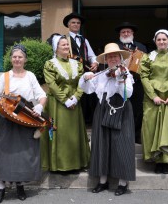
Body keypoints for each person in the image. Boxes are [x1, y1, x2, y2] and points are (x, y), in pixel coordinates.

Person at [0, 44, 47, 204]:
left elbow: (42, 95)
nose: (17, 59)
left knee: (23, 154)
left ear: (25, 59)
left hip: (24, 119)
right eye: (14, 57)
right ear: (11, 59)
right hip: (5, 121)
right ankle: (1, 188)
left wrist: (40, 106)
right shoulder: (5, 76)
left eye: (20, 56)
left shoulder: (30, 76)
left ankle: (20, 186)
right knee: (3, 154)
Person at [79, 43, 136, 196]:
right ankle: (102, 181)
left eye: (115, 56)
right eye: (109, 56)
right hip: (103, 108)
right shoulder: (101, 74)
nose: (112, 59)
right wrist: (85, 77)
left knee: (121, 144)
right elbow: (88, 89)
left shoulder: (126, 73)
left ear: (120, 58)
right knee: (101, 144)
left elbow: (128, 94)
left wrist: (120, 79)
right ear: (105, 59)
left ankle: (123, 183)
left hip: (121, 109)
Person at [40, 34, 90, 173]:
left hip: (74, 102)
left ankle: (76, 163)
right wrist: (65, 100)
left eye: (67, 44)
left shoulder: (77, 63)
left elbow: (82, 81)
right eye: (63, 45)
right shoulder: (50, 64)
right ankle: (60, 165)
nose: (67, 47)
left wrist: (75, 98)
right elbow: (52, 84)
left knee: (74, 134)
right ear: (56, 48)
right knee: (61, 134)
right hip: (58, 103)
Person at [139, 29, 168, 174]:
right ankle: (156, 160)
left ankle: (167, 161)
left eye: (164, 39)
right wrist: (153, 96)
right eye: (159, 39)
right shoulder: (147, 57)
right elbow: (144, 77)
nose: (162, 42)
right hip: (152, 98)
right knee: (151, 127)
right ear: (155, 41)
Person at [63, 12, 98, 125]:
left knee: (88, 99)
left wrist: (95, 63)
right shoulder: (63, 40)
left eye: (78, 23)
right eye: (73, 22)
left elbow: (91, 55)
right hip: (72, 74)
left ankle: (87, 125)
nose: (76, 24)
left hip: (86, 74)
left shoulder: (84, 40)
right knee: (75, 98)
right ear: (68, 25)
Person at [115, 22, 147, 144]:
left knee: (137, 109)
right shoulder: (115, 46)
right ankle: (121, 135)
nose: (126, 33)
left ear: (132, 33)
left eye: (128, 31)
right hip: (120, 83)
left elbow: (146, 63)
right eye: (123, 32)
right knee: (120, 108)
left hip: (137, 83)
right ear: (120, 34)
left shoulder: (141, 47)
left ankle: (136, 135)